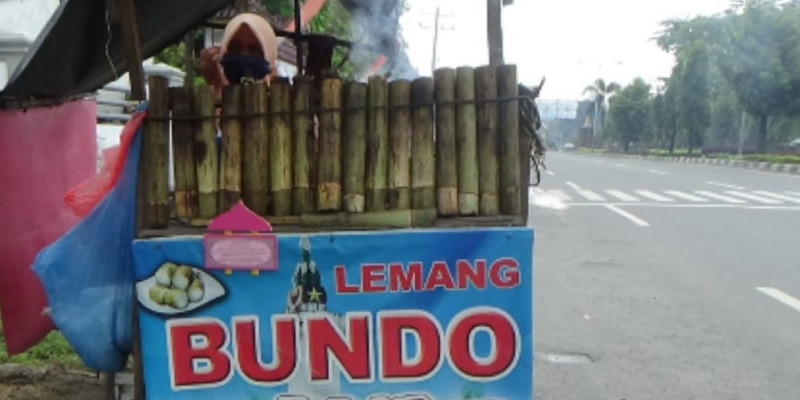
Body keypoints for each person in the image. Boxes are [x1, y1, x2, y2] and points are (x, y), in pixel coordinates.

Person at [200, 13, 279, 98]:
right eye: (235, 47)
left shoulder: (284, 103)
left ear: (269, 54)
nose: (244, 55)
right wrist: (217, 87)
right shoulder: (203, 102)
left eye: (254, 50)